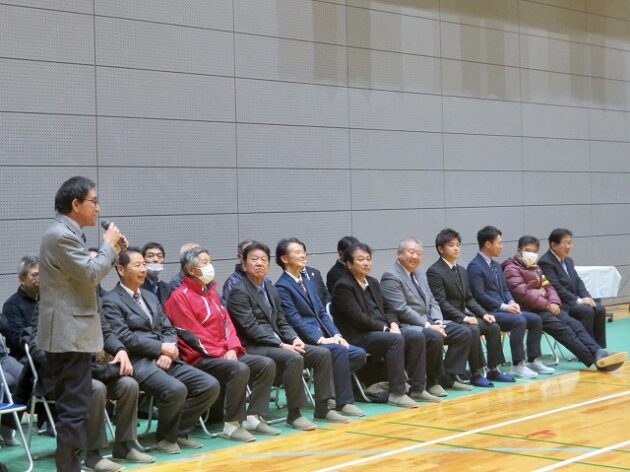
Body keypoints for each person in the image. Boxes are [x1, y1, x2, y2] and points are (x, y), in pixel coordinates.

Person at [37, 176, 126, 472]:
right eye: (94, 201)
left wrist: (112, 251)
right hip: (68, 334)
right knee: (73, 410)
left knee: (75, 407)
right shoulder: (61, 235)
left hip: (72, 333)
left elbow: (89, 274)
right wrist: (109, 246)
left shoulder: (68, 233)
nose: (98, 208)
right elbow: (90, 274)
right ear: (76, 204)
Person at [102, 247, 219, 454]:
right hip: (138, 362)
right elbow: (124, 337)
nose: (143, 269)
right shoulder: (111, 300)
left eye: (144, 265)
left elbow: (168, 328)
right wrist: (160, 348)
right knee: (175, 389)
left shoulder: (149, 296)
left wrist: (168, 349)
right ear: (121, 269)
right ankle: (166, 438)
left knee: (209, 385)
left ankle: (176, 432)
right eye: (137, 265)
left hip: (166, 357)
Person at [227, 241, 348, 430]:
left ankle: (323, 408)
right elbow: (250, 328)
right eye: (254, 259)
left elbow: (282, 321)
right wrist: (281, 344)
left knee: (322, 354)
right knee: (293, 357)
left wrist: (294, 338)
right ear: (244, 264)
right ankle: (294, 414)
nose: (259, 263)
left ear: (269, 265)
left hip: (278, 343)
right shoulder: (239, 292)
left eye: (263, 260)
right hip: (253, 346)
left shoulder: (270, 289)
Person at [165, 246, 279, 442]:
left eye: (210, 261)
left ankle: (253, 417)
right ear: (191, 269)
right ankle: (232, 425)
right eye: (205, 263)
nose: (210, 266)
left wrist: (232, 348)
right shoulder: (179, 297)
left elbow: (228, 324)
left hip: (225, 353)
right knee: (239, 368)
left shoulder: (211, 293)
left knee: (265, 364)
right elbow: (193, 335)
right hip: (199, 357)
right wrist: (221, 352)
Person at [503, 235, 626, 372]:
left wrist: (553, 302)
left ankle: (599, 352)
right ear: (519, 251)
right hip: (529, 310)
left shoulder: (535, 267)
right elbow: (523, 294)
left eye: (534, 251)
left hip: (546, 307)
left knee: (575, 324)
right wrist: (547, 304)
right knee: (564, 330)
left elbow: (549, 287)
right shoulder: (511, 269)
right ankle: (594, 360)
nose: (531, 254)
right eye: (528, 250)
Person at [275, 238, 367, 416]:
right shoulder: (282, 286)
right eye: (297, 252)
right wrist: (320, 339)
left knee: (358, 354)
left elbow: (322, 313)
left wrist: (337, 335)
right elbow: (294, 319)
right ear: (284, 258)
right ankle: (343, 402)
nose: (303, 255)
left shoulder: (307, 281)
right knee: (338, 352)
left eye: (303, 251)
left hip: (325, 336)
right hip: (305, 340)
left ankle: (329, 390)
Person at [332, 242, 431, 407]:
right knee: (395, 340)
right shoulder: (343, 286)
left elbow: (388, 308)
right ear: (349, 264)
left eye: (368, 259)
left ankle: (417, 388)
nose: (366, 263)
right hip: (359, 336)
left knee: (416, 336)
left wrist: (393, 324)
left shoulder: (372, 282)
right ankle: (397, 393)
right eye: (360, 260)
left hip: (382, 331)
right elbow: (357, 318)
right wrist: (385, 329)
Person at [380, 238, 473, 395]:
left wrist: (437, 321)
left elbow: (433, 301)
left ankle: (447, 377)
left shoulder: (419, 274)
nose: (415, 256)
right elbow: (401, 309)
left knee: (463, 332)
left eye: (419, 253)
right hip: (408, 324)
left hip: (429, 321)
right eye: (411, 252)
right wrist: (428, 325)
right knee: (434, 337)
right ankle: (431, 381)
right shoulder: (391, 276)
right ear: (399, 254)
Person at [426, 228, 515, 387]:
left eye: (458, 245)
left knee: (493, 326)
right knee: (472, 329)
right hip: (447, 319)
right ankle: (476, 373)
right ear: (440, 248)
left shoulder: (461, 270)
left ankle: (493, 369)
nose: (456, 248)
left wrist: (484, 313)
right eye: (451, 245)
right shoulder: (434, 271)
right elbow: (441, 302)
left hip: (463, 316)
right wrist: (464, 318)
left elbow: (469, 298)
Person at [467, 226, 554, 378]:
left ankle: (533, 360)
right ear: (488, 244)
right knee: (519, 321)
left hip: (504, 309)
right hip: (489, 312)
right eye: (499, 243)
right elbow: (480, 296)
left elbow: (505, 289)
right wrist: (505, 307)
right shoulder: (475, 266)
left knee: (535, 319)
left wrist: (512, 302)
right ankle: (517, 365)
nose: (502, 246)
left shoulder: (496, 265)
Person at [538, 228, 607, 348]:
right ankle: (589, 349)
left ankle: (601, 348)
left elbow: (578, 282)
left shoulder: (569, 260)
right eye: (565, 243)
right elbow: (556, 287)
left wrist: (587, 297)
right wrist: (579, 301)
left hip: (573, 302)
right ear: (554, 245)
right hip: (560, 304)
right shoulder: (545, 262)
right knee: (586, 311)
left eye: (570, 243)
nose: (569, 246)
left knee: (599, 309)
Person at [2, 256, 39, 363]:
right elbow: (20, 340)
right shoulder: (12, 305)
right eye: (35, 275)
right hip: (24, 358)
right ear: (22, 279)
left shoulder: (48, 300)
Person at [142, 242, 173, 308]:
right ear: (143, 260)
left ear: (163, 262)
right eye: (150, 256)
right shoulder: (137, 287)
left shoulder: (167, 288)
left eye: (159, 256)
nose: (155, 260)